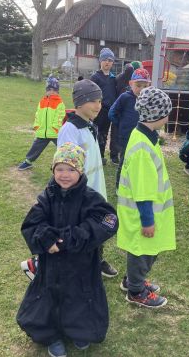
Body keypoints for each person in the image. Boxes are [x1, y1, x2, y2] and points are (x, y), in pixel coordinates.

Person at [16, 142, 118, 357]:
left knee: (79, 297)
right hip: (51, 265)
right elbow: (32, 223)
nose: (65, 175)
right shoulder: (47, 196)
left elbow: (108, 221)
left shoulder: (91, 198)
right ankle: (51, 335)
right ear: (53, 170)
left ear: (80, 171)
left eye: (71, 169)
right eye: (60, 169)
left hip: (81, 264)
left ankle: (78, 330)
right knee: (51, 297)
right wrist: (45, 240)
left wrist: (75, 237)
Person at [20, 79, 118, 279]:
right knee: (73, 227)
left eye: (100, 101)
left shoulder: (89, 125)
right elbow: (66, 163)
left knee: (94, 224)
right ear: (80, 102)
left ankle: (96, 260)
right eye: (93, 101)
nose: (98, 106)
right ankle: (37, 264)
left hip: (94, 188)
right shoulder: (70, 129)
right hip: (79, 191)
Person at [117, 86, 175, 308]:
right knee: (142, 252)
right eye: (167, 112)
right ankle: (136, 291)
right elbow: (142, 191)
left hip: (143, 212)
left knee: (141, 251)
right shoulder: (142, 147)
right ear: (159, 115)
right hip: (142, 213)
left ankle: (132, 280)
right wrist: (148, 221)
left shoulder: (144, 135)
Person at [109, 68, 151, 187]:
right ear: (131, 84)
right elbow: (112, 113)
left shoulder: (149, 99)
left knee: (139, 161)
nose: (141, 89)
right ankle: (119, 186)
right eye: (138, 85)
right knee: (125, 161)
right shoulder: (125, 97)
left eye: (145, 86)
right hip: (127, 136)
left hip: (143, 137)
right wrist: (121, 124)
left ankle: (135, 185)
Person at [18, 76, 66, 170]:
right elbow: (38, 114)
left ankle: (65, 163)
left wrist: (55, 127)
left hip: (54, 132)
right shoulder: (42, 102)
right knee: (36, 147)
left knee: (62, 148)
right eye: (49, 89)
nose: (51, 92)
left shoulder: (60, 103)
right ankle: (28, 162)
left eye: (54, 90)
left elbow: (60, 116)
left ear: (57, 91)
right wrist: (36, 125)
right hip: (42, 131)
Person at [91, 47, 120, 165]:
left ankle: (101, 155)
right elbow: (91, 94)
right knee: (96, 133)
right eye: (105, 60)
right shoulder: (95, 77)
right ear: (100, 61)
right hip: (98, 111)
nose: (107, 62)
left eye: (110, 60)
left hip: (109, 111)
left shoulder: (114, 78)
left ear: (112, 62)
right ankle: (97, 156)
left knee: (104, 133)